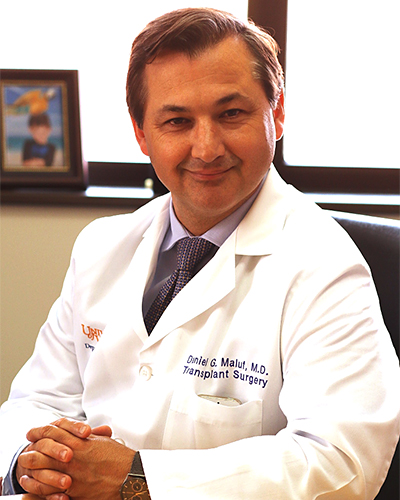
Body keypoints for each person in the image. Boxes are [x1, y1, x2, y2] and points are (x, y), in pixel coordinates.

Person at [1, 7, 399, 500]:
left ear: (276, 114)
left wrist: (136, 480)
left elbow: (341, 460)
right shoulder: (101, 246)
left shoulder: (324, 265)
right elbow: (37, 401)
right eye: (177, 121)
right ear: (141, 133)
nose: (207, 148)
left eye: (231, 114)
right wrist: (31, 463)